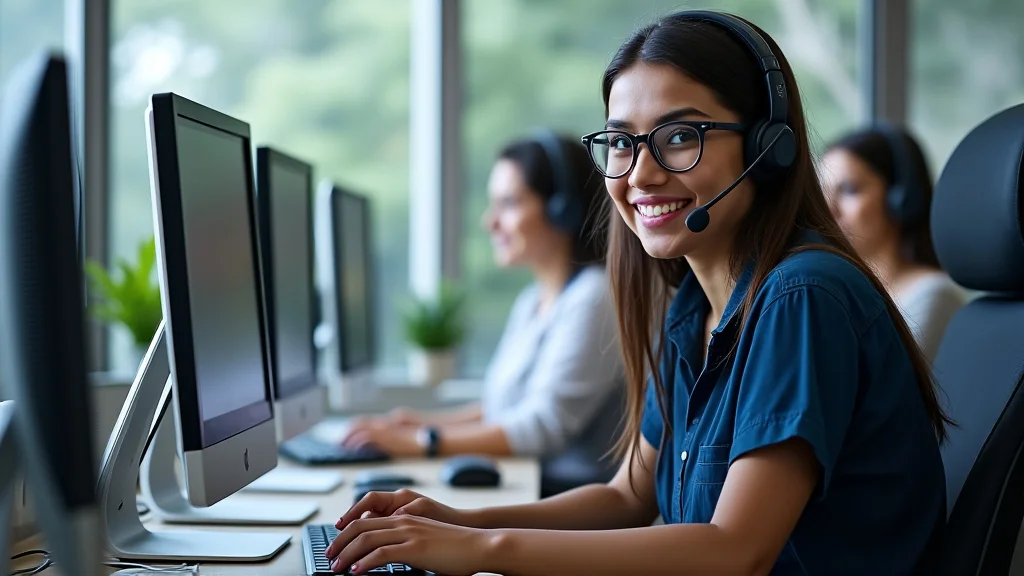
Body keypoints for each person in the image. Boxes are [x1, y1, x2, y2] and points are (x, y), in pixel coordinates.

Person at [324, 10, 950, 575]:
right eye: (622, 142)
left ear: (768, 148)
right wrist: (460, 522)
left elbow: (736, 551)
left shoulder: (802, 296)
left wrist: (485, 551)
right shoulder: (694, 309)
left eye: (680, 136)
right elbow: (627, 496)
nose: (641, 174)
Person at [341, 131, 626, 495]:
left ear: (562, 208)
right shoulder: (532, 301)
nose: (490, 222)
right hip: (530, 481)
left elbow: (543, 427)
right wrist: (420, 424)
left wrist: (422, 441)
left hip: (569, 494)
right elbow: (503, 409)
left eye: (508, 203)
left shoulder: (594, 297)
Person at [821, 126, 968, 360]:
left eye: (849, 190)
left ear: (899, 199)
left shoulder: (934, 295)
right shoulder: (841, 293)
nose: (829, 209)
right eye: (823, 194)